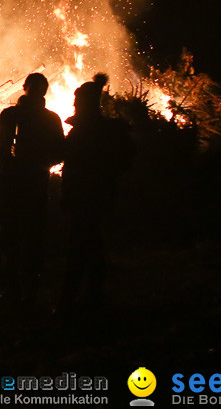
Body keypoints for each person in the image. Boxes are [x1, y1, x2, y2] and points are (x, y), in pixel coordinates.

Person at [59, 73, 132, 313]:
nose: (73, 105)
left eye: (77, 101)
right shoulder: (105, 130)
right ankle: (93, 295)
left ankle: (70, 301)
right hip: (96, 194)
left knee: (79, 245)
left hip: (86, 195)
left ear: (87, 103)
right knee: (92, 244)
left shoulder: (90, 132)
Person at [0, 72, 65, 304]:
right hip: (28, 183)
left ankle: (20, 289)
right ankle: (24, 289)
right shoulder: (47, 118)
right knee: (26, 235)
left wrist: (5, 175)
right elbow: (58, 153)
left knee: (18, 235)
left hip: (20, 183)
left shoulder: (13, 115)